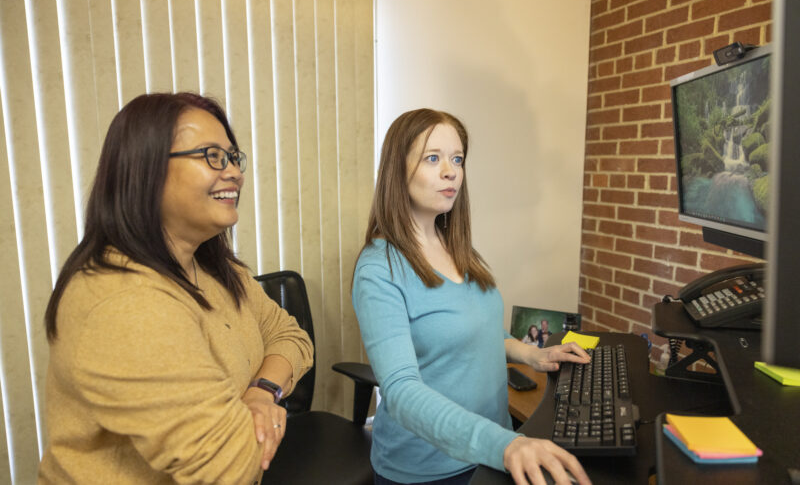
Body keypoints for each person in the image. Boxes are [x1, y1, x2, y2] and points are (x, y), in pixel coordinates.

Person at [37, 93, 314, 485]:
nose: (234, 172)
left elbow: (291, 336)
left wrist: (261, 392)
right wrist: (250, 422)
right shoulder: (125, 302)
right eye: (212, 156)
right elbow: (231, 464)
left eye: (234, 157)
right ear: (145, 170)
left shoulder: (215, 269)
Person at [351, 109, 592, 485]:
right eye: (433, 158)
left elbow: (480, 330)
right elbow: (400, 391)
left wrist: (533, 354)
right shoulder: (379, 269)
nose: (451, 171)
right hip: (427, 469)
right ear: (398, 170)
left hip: (487, 453)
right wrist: (505, 445)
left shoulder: (457, 247)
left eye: (457, 159)